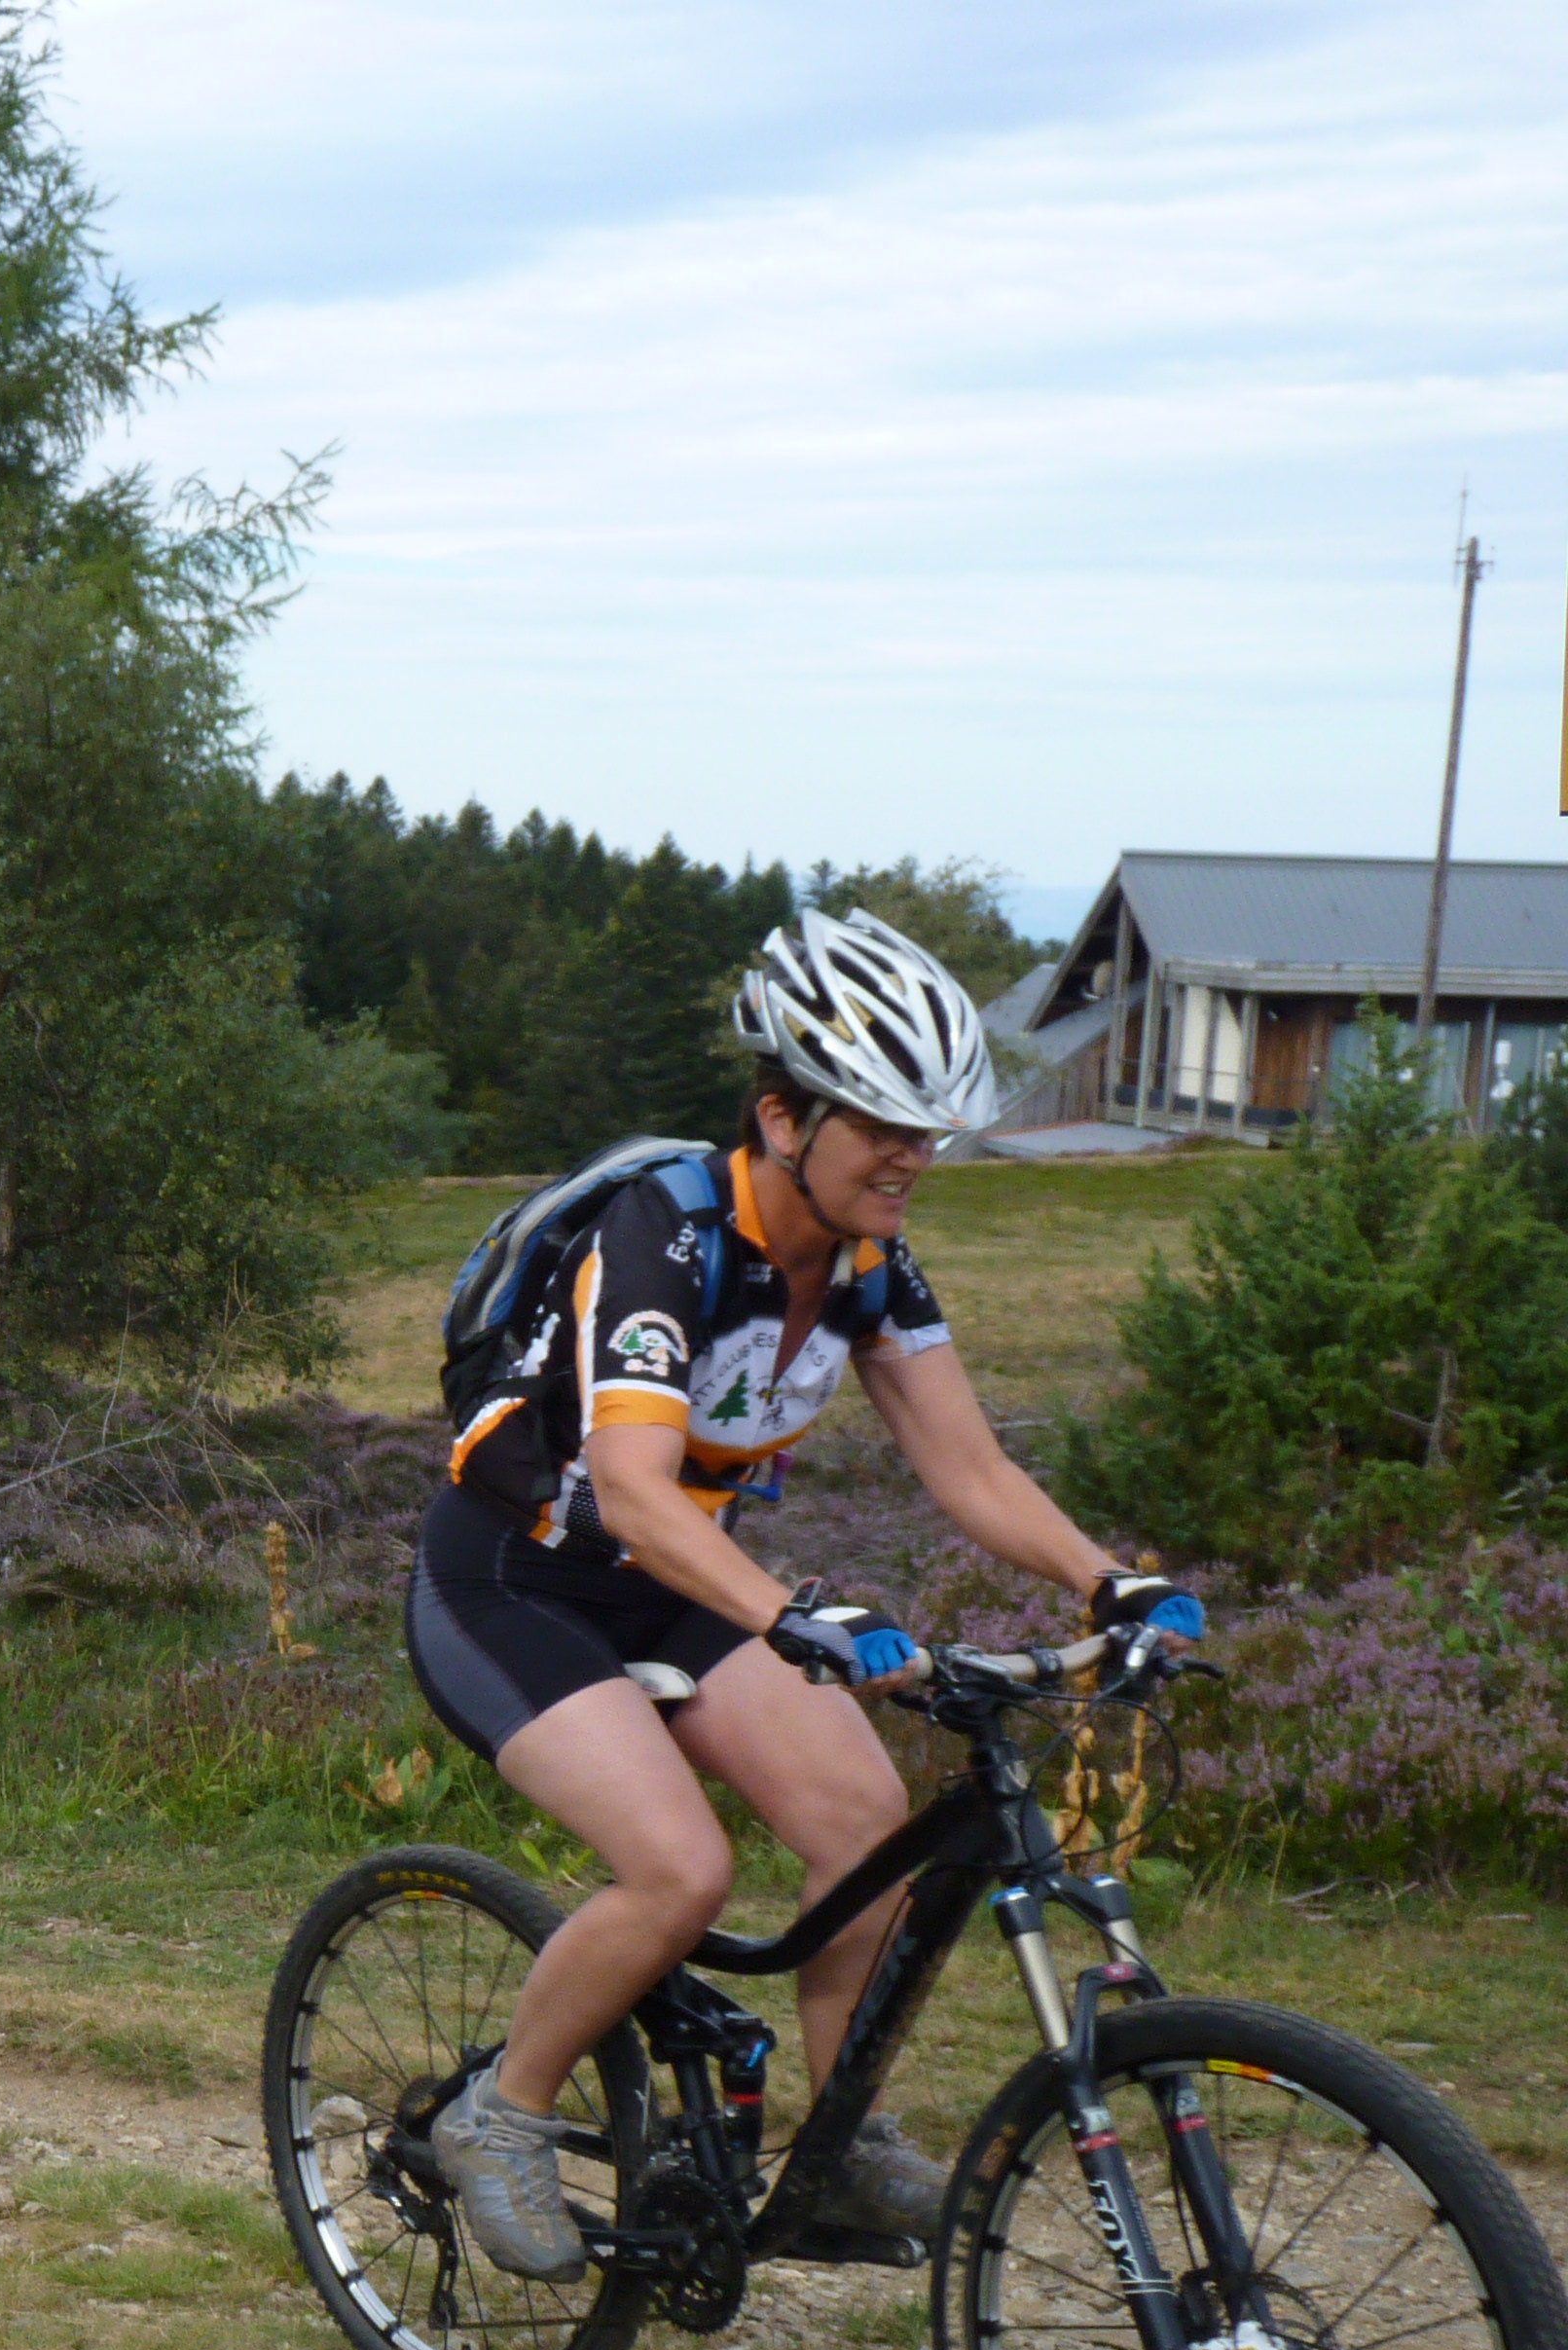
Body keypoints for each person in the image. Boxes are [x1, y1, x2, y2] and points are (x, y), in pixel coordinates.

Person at [405, 909, 1206, 2280]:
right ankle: (503, 2115)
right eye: (884, 1126)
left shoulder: (868, 1262)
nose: (916, 1157)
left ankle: (836, 2150)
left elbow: (967, 1465)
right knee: (679, 1870)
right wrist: (789, 1614)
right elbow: (640, 1488)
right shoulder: (662, 1237)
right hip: (515, 1582)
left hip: (679, 1582)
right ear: (782, 1117)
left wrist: (1107, 1578)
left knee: (864, 1825)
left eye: (929, 1127)